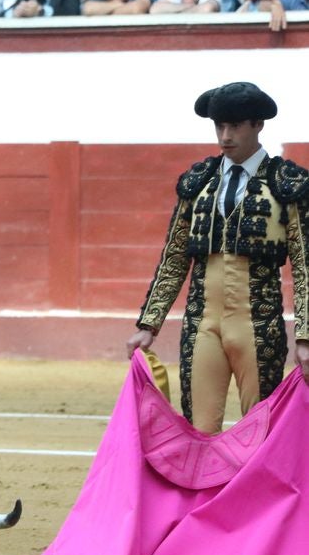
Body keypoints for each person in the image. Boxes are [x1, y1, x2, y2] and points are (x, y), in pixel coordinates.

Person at [128, 83, 309, 434]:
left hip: (258, 324)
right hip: (202, 324)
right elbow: (175, 256)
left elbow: (305, 266)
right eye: (219, 126)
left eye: (235, 126)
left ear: (258, 125)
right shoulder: (198, 182)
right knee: (198, 429)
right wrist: (148, 325)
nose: (225, 136)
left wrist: (306, 337)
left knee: (260, 431)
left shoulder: (289, 184)